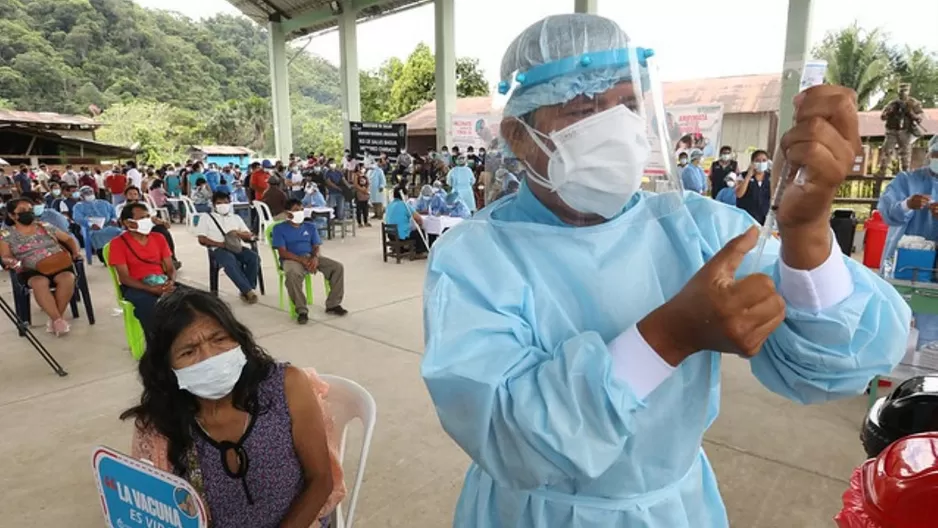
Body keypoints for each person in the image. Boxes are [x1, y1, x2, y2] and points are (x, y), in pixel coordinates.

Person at [420, 13, 910, 528]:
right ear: (519, 137)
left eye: (629, 104)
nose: (615, 127)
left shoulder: (694, 229)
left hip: (674, 510)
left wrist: (806, 230)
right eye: (583, 109)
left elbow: (836, 363)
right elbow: (509, 439)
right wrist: (670, 336)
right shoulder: (475, 258)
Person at [122, 288, 345, 528]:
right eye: (189, 351)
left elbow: (321, 480)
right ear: (167, 368)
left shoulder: (286, 386)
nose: (208, 357)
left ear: (237, 338)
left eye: (219, 339)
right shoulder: (159, 426)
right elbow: (156, 512)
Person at [877, 135, 938, 348]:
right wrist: (906, 205)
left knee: (930, 336)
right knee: (893, 325)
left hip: (934, 275)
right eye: (937, 155)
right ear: (929, 155)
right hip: (903, 265)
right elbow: (886, 211)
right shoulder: (906, 180)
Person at [0, 197, 82, 336]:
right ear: (12, 215)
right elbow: (5, 256)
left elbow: (67, 239)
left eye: (30, 210)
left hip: (57, 263)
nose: (28, 213)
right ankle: (58, 320)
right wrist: (13, 263)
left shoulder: (44, 226)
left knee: (68, 278)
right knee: (40, 282)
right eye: (22, 211)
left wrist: (75, 252)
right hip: (30, 270)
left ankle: (56, 319)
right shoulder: (6, 235)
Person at [272, 199, 348, 324]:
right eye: (296, 210)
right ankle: (301, 310)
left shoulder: (310, 226)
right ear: (288, 213)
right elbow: (282, 252)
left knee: (337, 267)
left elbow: (316, 246)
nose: (300, 212)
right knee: (292, 274)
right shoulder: (279, 229)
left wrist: (314, 258)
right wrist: (301, 260)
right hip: (291, 259)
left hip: (310, 256)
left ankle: (333, 304)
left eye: (301, 209)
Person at [108, 202, 176, 333]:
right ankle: (157, 345)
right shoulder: (118, 244)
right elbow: (124, 278)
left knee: (193, 302)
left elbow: (170, 268)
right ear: (128, 223)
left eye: (147, 217)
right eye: (142, 218)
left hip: (162, 281)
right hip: (136, 286)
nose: (147, 221)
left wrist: (170, 282)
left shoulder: (159, 238)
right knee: (151, 309)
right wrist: (150, 289)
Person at [197, 192, 261, 304]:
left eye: (226, 202)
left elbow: (247, 234)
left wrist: (239, 234)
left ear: (230, 203)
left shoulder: (235, 218)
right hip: (218, 248)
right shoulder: (206, 218)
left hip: (236, 247)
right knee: (230, 261)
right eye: (219, 203)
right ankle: (248, 291)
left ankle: (247, 288)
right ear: (213, 204)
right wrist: (219, 244)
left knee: (253, 257)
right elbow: (202, 239)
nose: (223, 205)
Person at [121, 186, 181, 268]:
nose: (133, 196)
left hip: (149, 226)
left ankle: (171, 259)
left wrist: (162, 222)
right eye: (130, 194)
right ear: (125, 195)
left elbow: (152, 217)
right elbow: (121, 220)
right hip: (134, 228)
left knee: (163, 232)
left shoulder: (144, 205)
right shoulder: (121, 207)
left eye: (135, 194)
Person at [878, 83, 925, 175]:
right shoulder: (893, 103)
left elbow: (920, 117)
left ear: (908, 91)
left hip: (905, 131)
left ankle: (905, 171)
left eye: (905, 90)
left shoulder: (913, 103)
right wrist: (889, 112)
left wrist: (911, 113)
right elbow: (883, 116)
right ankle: (882, 169)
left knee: (905, 152)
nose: (903, 93)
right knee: (887, 150)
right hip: (892, 131)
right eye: (901, 91)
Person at [73, 186, 122, 257]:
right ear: (81, 196)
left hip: (108, 226)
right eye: (86, 193)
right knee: (97, 235)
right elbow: (78, 218)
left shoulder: (104, 203)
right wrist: (91, 224)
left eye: (91, 192)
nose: (89, 194)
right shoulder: (78, 206)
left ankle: (118, 252)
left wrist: (113, 220)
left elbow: (113, 213)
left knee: (118, 232)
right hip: (91, 229)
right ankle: (102, 253)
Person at [385, 186, 428, 256]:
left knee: (407, 229)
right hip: (400, 235)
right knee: (420, 232)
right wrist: (419, 224)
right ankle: (419, 252)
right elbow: (419, 219)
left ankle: (400, 248)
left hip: (390, 234)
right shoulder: (404, 205)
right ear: (404, 195)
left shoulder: (390, 205)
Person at [735, 150, 772, 225]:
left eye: (764, 160)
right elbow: (739, 194)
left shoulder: (770, 177)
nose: (761, 163)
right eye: (758, 160)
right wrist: (749, 175)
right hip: (746, 216)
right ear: (752, 162)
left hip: (764, 217)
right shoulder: (743, 176)